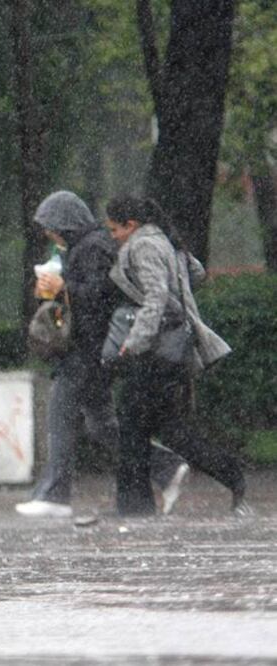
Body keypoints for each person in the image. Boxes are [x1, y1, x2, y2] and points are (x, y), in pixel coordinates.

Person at [15, 191, 189, 518]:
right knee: (101, 425)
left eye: (52, 227)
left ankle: (55, 495)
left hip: (88, 351)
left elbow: (99, 297)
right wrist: (55, 291)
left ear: (65, 224)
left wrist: (64, 287)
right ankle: (166, 467)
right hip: (90, 351)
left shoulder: (93, 247)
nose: (49, 234)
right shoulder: (81, 247)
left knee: (60, 416)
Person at [103, 195, 249, 516]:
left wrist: (134, 342)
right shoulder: (165, 241)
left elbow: (155, 296)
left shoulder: (142, 246)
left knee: (135, 428)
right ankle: (230, 474)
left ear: (131, 225)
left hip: (154, 353)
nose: (113, 236)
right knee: (165, 430)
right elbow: (196, 272)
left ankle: (135, 507)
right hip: (171, 352)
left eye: (115, 229)